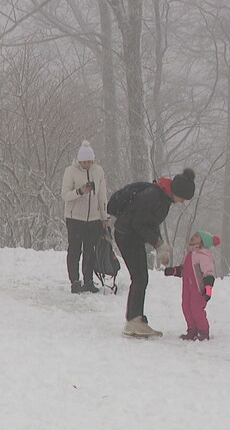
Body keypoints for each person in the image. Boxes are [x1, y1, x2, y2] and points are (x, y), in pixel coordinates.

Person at [113, 168, 196, 338]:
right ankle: (133, 321)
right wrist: (158, 244)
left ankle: (136, 319)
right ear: (178, 192)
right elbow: (138, 224)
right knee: (140, 277)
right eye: (183, 198)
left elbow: (150, 223)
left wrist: (160, 244)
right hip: (126, 236)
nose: (182, 202)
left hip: (131, 236)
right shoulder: (154, 196)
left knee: (140, 277)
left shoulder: (162, 198)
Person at [60, 140, 109, 294]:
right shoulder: (70, 171)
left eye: (89, 161)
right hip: (75, 219)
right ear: (79, 160)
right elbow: (65, 195)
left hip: (93, 219)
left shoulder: (99, 171)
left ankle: (88, 280)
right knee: (75, 250)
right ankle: (74, 280)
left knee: (90, 251)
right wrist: (80, 191)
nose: (87, 164)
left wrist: (105, 217)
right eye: (84, 161)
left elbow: (102, 196)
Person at [164, 231, 219, 341]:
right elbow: (183, 270)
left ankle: (203, 331)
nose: (193, 236)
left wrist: (208, 289)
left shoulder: (203, 255)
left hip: (199, 289)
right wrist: (174, 271)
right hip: (187, 288)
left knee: (196, 309)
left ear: (203, 242)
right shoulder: (189, 254)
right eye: (193, 235)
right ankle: (192, 329)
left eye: (197, 236)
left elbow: (208, 273)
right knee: (186, 307)